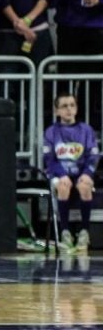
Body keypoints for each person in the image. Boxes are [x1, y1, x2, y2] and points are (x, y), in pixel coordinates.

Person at [43, 92, 99, 254]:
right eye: (64, 106)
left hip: (81, 172)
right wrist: (61, 174)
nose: (69, 109)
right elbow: (49, 159)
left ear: (76, 109)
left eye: (72, 105)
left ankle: (84, 232)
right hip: (59, 173)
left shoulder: (86, 130)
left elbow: (94, 155)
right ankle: (65, 232)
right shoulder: (51, 132)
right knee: (63, 186)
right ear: (57, 111)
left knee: (85, 185)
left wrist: (88, 173)